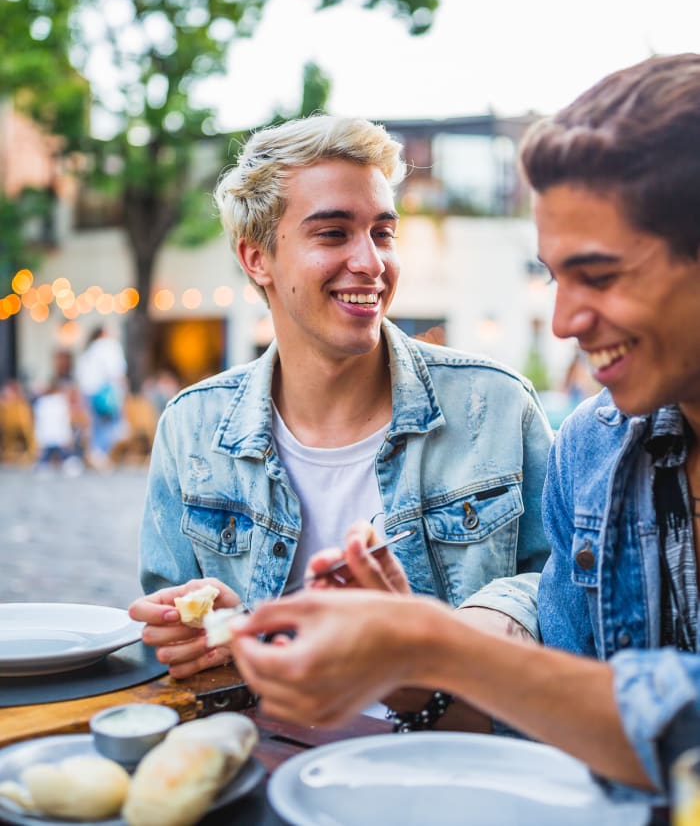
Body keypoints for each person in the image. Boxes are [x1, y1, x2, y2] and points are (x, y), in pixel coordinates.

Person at [228, 55, 700, 798]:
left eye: (601, 276)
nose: (566, 322)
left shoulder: (505, 406)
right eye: (553, 276)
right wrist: (416, 660)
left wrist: (424, 642)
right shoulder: (595, 448)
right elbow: (559, 737)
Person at [129, 115, 552, 691]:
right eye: (333, 234)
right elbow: (169, 639)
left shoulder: (497, 406)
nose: (371, 263)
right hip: (263, 752)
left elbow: (562, 584)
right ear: (256, 258)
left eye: (382, 232)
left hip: (453, 750)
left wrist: (491, 618)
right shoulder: (191, 426)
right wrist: (212, 631)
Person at [75, 325, 127, 467]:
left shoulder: (89, 350)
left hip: (89, 393)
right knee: (110, 425)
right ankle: (99, 455)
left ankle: (95, 454)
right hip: (105, 393)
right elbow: (116, 371)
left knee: (95, 426)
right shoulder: (109, 346)